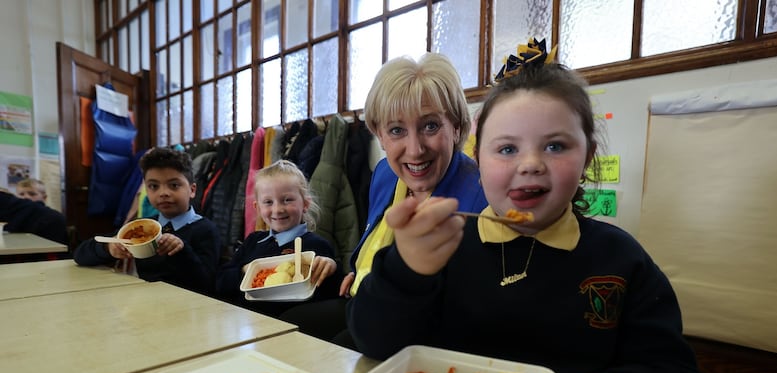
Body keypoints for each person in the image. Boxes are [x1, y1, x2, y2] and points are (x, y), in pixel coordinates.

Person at [346, 40, 707, 373]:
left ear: (588, 155)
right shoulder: (443, 249)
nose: (530, 163)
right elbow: (372, 343)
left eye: (555, 146)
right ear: (477, 160)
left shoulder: (620, 260)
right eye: (507, 149)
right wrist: (406, 272)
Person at [278, 52, 488, 342]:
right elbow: (374, 243)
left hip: (421, 327)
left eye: (430, 126)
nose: (415, 150)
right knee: (283, 331)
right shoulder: (385, 175)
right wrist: (360, 272)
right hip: (364, 298)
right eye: (397, 130)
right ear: (379, 134)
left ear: (456, 127)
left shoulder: (482, 197)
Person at [74, 147, 221, 295]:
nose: (163, 193)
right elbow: (80, 255)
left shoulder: (206, 230)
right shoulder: (142, 226)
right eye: (153, 186)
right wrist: (109, 248)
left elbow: (207, 284)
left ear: (192, 190)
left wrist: (181, 250)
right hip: (144, 302)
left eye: (174, 185)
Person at [216, 160, 342, 317]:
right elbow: (220, 282)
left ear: (305, 204)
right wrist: (244, 271)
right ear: (258, 208)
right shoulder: (253, 241)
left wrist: (331, 268)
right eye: (268, 202)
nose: (277, 209)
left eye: (287, 200)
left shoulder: (316, 245)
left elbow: (331, 294)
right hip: (245, 324)